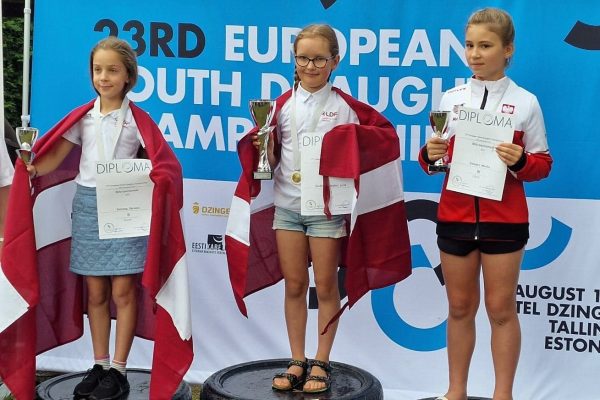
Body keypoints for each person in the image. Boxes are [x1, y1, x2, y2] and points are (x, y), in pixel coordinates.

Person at [225, 23, 411, 394]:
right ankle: (297, 359)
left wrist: (352, 141)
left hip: (326, 212)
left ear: (335, 61)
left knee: (325, 286)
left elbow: (385, 139)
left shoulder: (346, 108)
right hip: (287, 209)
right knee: (294, 285)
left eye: (319, 59)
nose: (310, 66)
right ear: (294, 60)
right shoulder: (279, 107)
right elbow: (268, 165)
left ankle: (321, 361)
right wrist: (265, 146)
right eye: (303, 58)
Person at [20, 37, 188, 400]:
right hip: (87, 207)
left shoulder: (138, 120)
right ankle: (99, 364)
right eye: (98, 70)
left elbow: (163, 163)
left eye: (112, 70)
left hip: (124, 210)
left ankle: (119, 370)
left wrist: (159, 178)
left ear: (129, 76)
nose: (103, 77)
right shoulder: (83, 118)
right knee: (95, 292)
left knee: (123, 291)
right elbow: (52, 158)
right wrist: (30, 169)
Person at [419, 8, 552, 400]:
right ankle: (455, 392)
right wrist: (429, 154)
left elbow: (543, 164)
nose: (475, 54)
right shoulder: (451, 99)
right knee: (459, 308)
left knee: (500, 310)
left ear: (508, 50)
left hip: (504, 221)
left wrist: (521, 161)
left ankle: (502, 395)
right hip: (455, 216)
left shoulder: (525, 102)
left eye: (486, 46)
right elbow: (436, 161)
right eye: (470, 45)